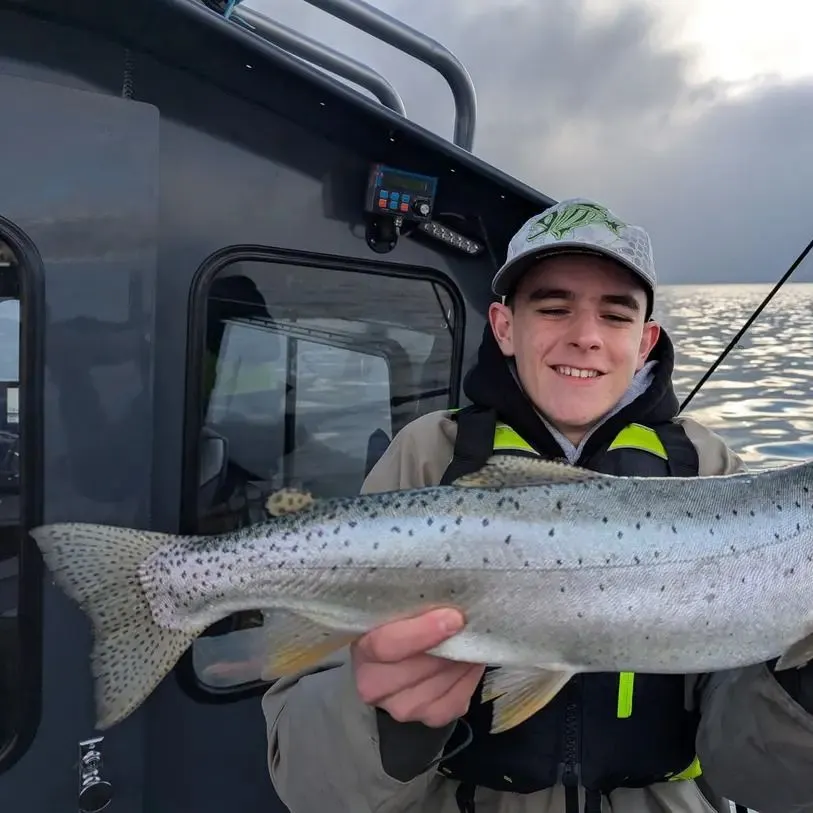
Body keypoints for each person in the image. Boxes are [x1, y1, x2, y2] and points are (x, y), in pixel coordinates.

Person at [261, 198, 813, 813]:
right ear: (503, 326)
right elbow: (309, 790)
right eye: (553, 308)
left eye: (616, 314)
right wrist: (389, 727)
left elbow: (763, 780)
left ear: (646, 338)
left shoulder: (709, 469)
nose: (585, 336)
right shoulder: (426, 457)